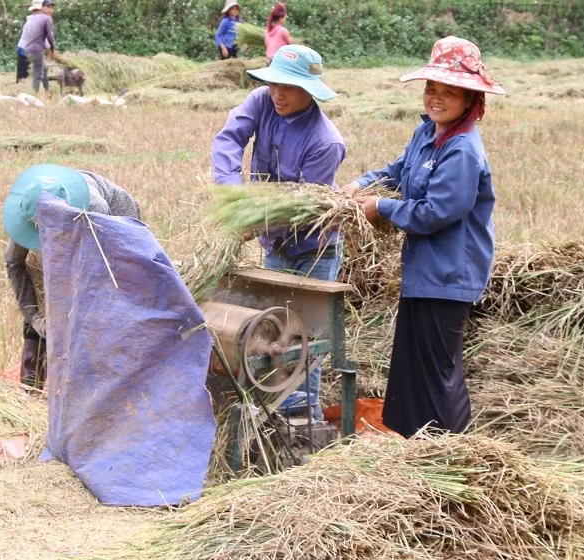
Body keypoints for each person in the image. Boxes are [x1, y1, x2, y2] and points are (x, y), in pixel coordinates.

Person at [343, 36, 505, 437]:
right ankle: (416, 445)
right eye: (432, 87)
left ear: (470, 99)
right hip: (424, 272)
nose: (437, 97)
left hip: (449, 275)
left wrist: (379, 208)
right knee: (413, 366)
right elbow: (397, 172)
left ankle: (450, 449)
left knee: (437, 369)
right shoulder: (428, 134)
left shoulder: (462, 149)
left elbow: (437, 212)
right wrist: (360, 185)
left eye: (449, 91)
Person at [211, 45, 345, 420]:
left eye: (289, 87)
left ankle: (302, 423)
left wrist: (252, 222)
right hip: (275, 247)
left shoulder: (325, 142)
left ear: (310, 90)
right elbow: (228, 140)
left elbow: (299, 210)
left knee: (303, 345)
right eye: (274, 84)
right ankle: (275, 416)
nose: (278, 94)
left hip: (313, 251)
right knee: (274, 334)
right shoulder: (261, 101)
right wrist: (232, 194)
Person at [3, 165, 141, 389]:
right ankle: (30, 390)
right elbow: (14, 262)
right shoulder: (27, 213)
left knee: (102, 313)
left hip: (115, 230)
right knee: (43, 294)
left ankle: (100, 386)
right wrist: (35, 318)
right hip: (77, 231)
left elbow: (98, 273)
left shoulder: (95, 210)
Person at [24, 0, 56, 98]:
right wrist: (53, 50)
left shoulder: (35, 18)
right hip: (36, 50)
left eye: (52, 7)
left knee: (44, 68)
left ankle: (47, 92)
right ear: (42, 7)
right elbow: (50, 37)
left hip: (28, 50)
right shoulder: (47, 18)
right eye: (48, 7)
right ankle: (33, 97)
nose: (50, 9)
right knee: (37, 75)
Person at [15, 2, 41, 83]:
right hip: (24, 49)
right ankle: (19, 89)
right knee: (22, 74)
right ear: (33, 11)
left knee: (28, 73)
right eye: (37, 11)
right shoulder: (31, 22)